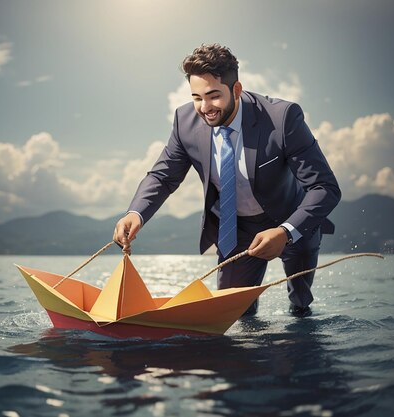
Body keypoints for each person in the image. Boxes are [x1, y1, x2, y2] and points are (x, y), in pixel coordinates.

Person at [113, 44, 341, 317]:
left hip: (293, 219)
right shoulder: (184, 122)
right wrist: (135, 213)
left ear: (236, 90)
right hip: (236, 229)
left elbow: (325, 187)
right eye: (197, 97)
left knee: (301, 307)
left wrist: (286, 232)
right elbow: (163, 176)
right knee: (232, 315)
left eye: (213, 96)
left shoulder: (282, 118)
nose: (204, 107)